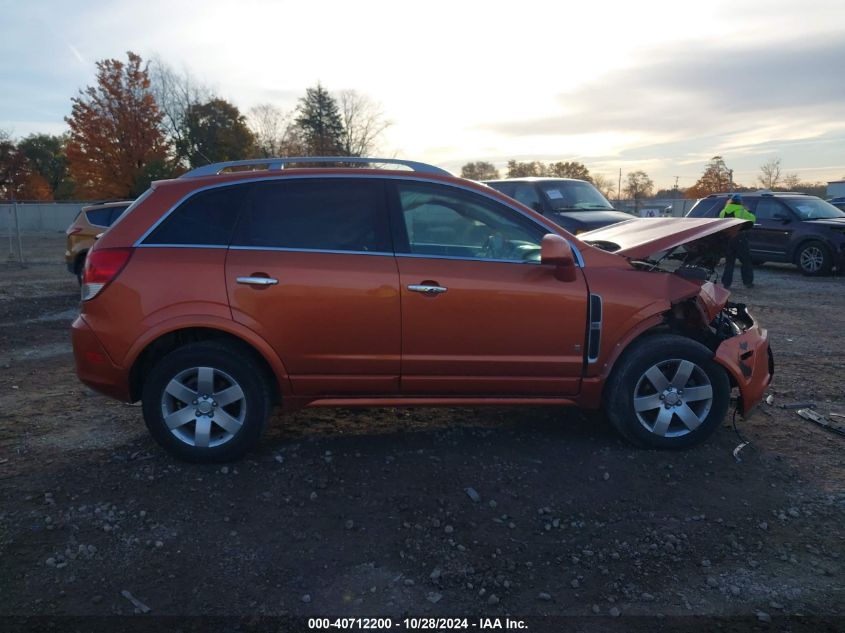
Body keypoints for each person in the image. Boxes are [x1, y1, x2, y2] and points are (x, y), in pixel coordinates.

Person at [719, 193, 756, 288]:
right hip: (740, 238)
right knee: (746, 261)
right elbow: (753, 220)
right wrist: (749, 212)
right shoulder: (742, 211)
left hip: (728, 238)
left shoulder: (723, 211)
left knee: (729, 262)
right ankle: (748, 282)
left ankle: (726, 283)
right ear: (740, 201)